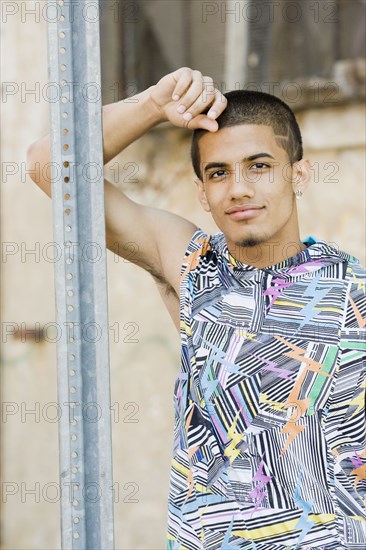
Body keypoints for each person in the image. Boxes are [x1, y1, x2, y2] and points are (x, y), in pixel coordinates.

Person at [27, 68, 365, 549]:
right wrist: (152, 105)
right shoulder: (194, 266)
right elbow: (49, 166)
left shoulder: (355, 292)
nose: (239, 188)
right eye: (219, 173)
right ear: (202, 193)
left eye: (260, 166)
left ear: (299, 174)